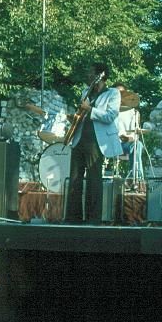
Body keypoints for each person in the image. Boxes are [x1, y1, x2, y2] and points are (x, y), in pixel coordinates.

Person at [65, 63, 124, 224]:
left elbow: (110, 116)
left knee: (94, 179)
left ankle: (93, 218)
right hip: (80, 138)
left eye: (90, 72)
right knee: (75, 179)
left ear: (99, 75)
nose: (87, 75)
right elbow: (83, 113)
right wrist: (75, 117)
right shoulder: (86, 92)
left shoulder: (113, 93)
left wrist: (90, 109)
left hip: (97, 142)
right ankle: (73, 217)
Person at [113, 83, 145, 182]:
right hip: (111, 144)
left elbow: (134, 134)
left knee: (137, 145)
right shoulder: (110, 110)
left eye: (122, 93)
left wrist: (129, 138)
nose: (119, 96)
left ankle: (136, 178)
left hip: (125, 144)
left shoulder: (133, 112)